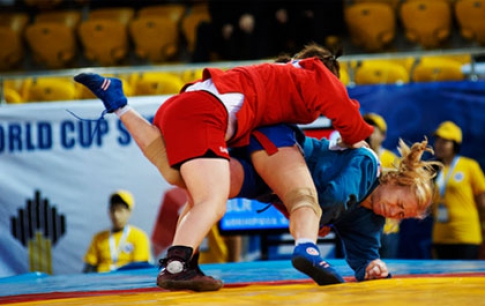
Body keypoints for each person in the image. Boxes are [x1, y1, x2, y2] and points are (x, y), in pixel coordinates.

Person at [74, 43, 373, 291]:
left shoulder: (273, 82)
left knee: (181, 179)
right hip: (206, 112)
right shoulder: (312, 72)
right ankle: (176, 265)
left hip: (181, 106)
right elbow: (343, 109)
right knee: (212, 201)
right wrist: (357, 139)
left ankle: (120, 104)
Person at [222, 124, 440, 282]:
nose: (393, 211)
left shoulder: (371, 219)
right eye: (399, 204)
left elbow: (364, 254)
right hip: (280, 150)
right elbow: (335, 197)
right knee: (209, 171)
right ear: (393, 180)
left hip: (270, 185)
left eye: (401, 215)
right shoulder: (368, 163)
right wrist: (319, 224)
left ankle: (186, 259)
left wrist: (373, 267)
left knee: (211, 185)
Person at [431, 121, 485, 260]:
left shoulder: (469, 166)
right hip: (440, 237)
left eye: (445, 141)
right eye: (438, 140)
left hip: (466, 235)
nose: (439, 144)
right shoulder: (433, 169)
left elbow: (483, 202)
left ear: (455, 144)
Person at [83, 190, 152, 273]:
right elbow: (88, 268)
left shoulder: (139, 236)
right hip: (101, 282)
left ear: (129, 212)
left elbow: (141, 268)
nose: (116, 215)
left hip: (128, 282)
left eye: (120, 210)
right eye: (113, 210)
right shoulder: (99, 238)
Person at [363, 113, 401, 259]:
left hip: (387, 227)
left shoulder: (392, 159)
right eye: (365, 129)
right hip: (363, 228)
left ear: (383, 136)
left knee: (387, 272)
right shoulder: (356, 156)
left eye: (373, 130)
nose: (368, 133)